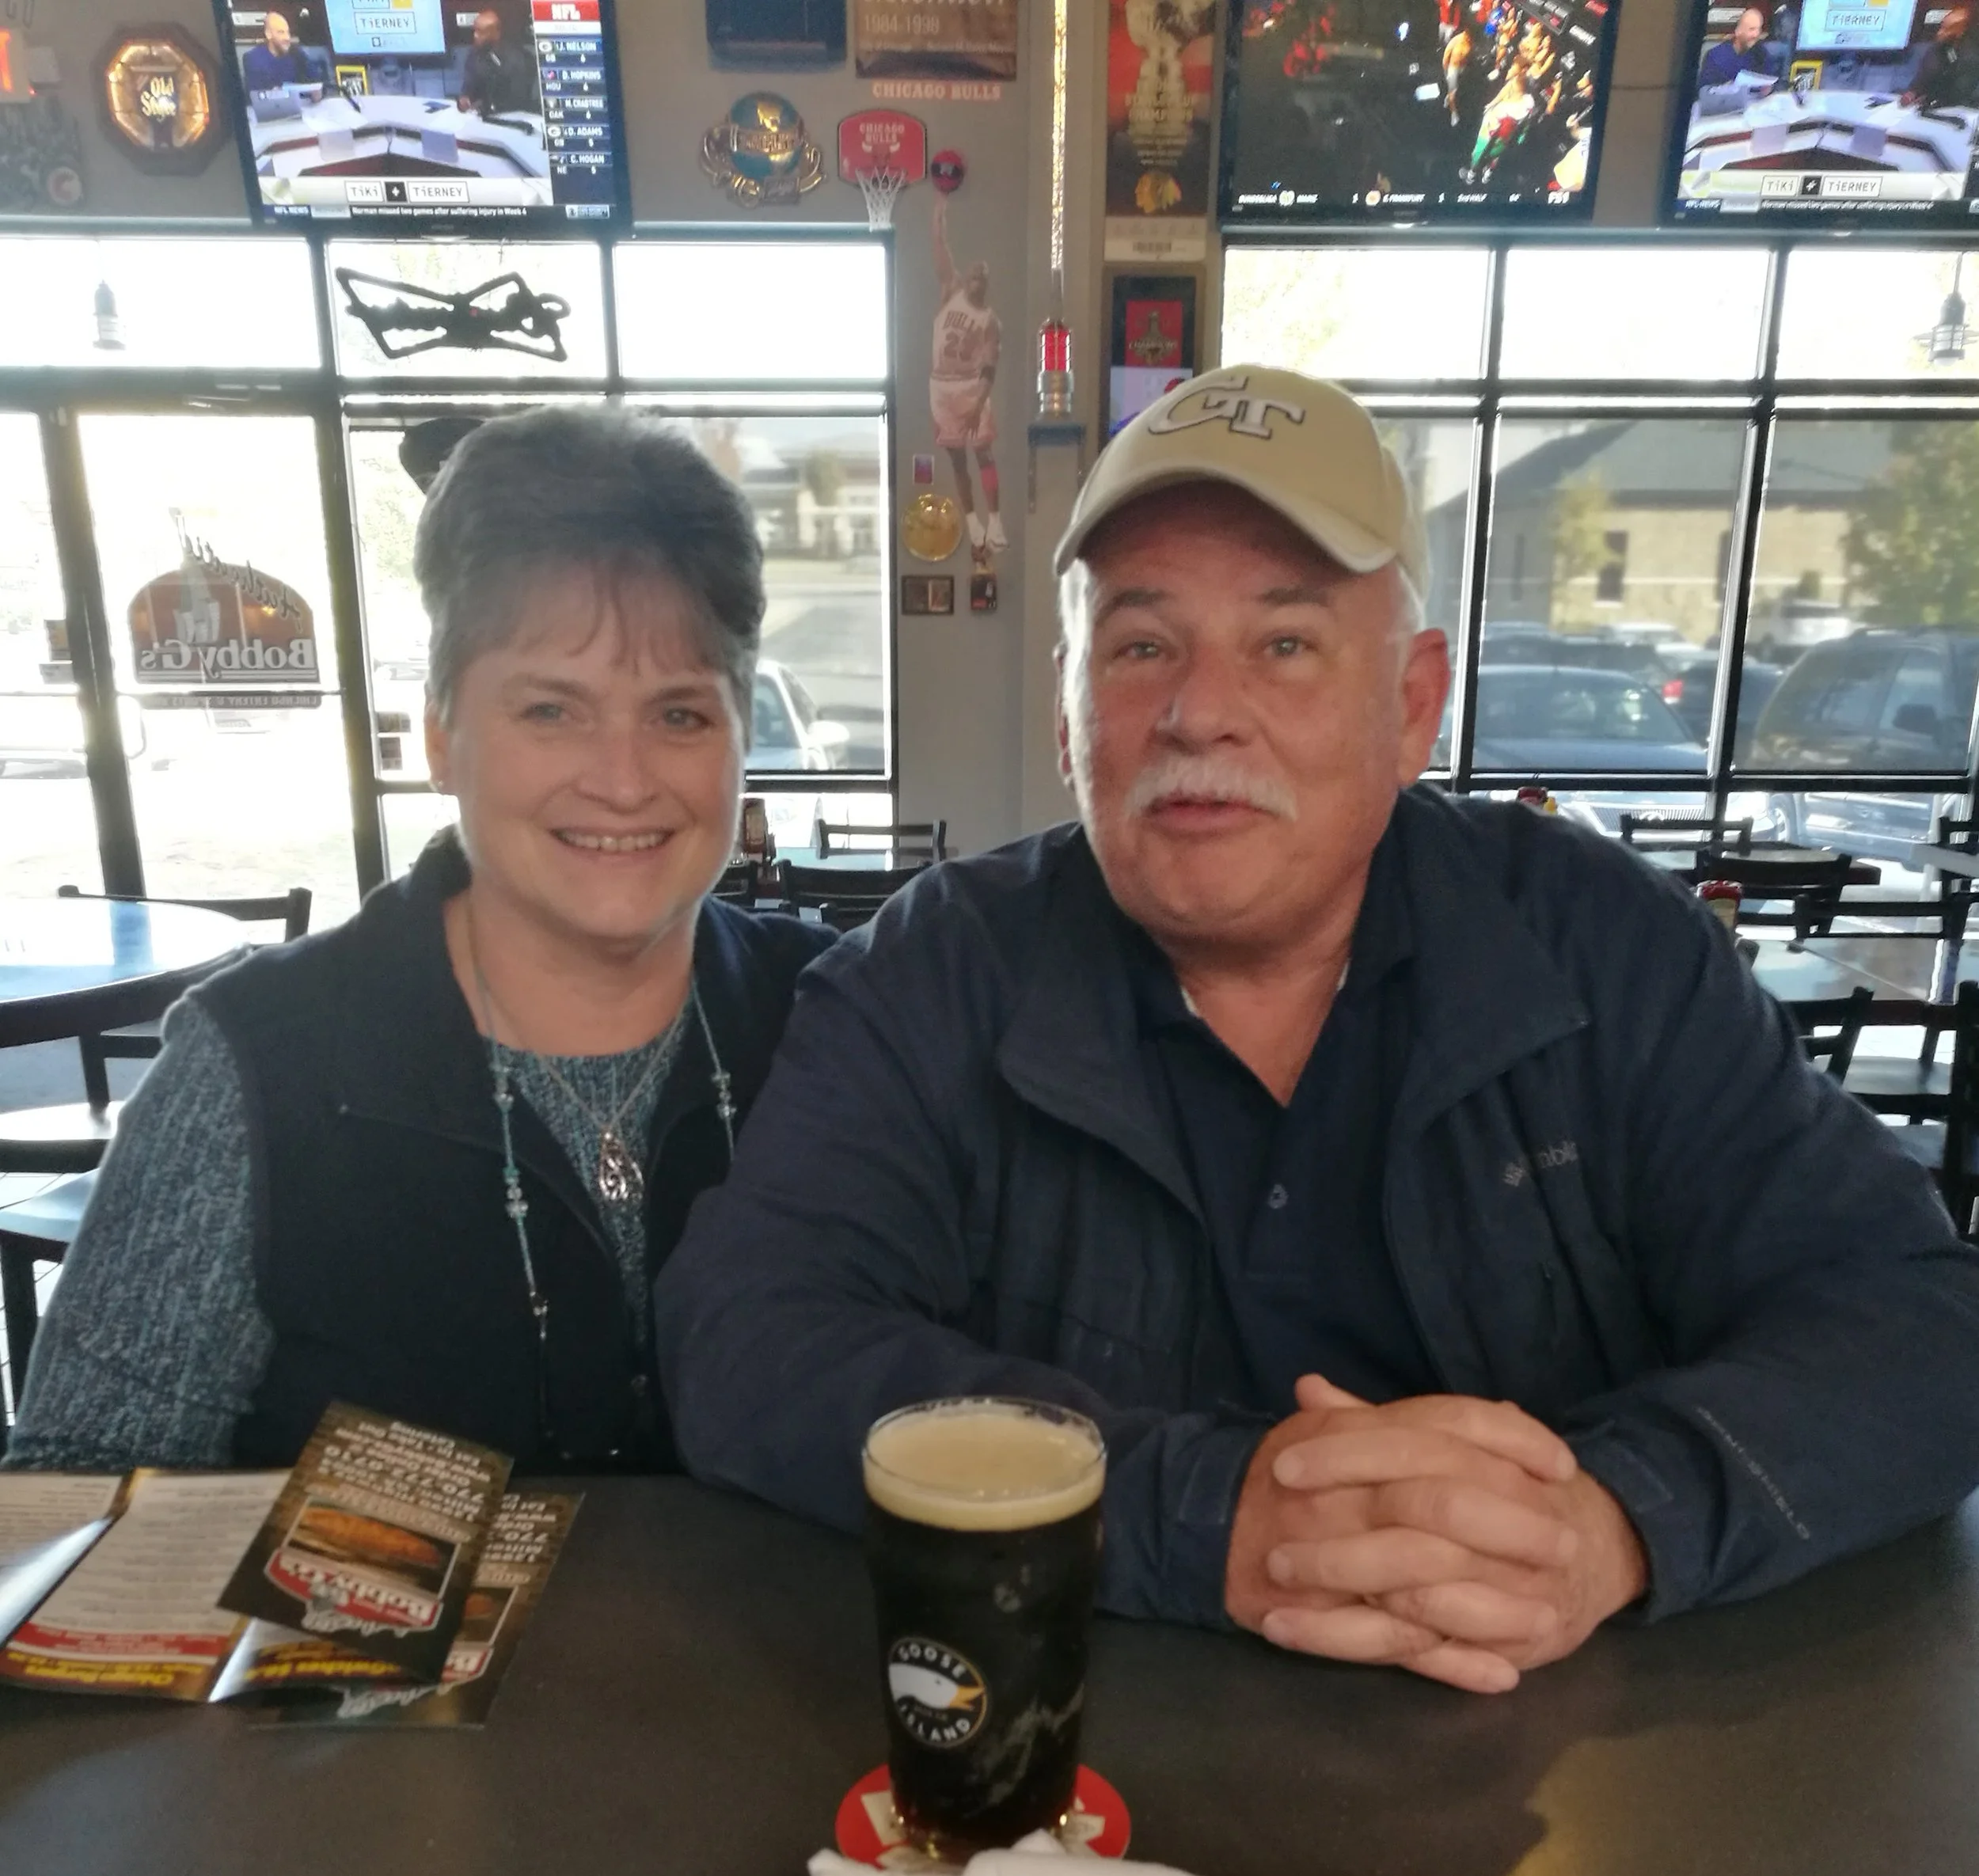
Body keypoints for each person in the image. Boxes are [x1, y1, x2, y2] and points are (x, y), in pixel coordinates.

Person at [655, 363, 1979, 1696]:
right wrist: (1206, 1514)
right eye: (1140, 645)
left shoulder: (1603, 949)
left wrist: (1616, 1516)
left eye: (1284, 643)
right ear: (1070, 715)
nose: (1199, 709)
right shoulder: (936, 972)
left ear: (1412, 706)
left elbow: (1916, 1322)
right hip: (1076, 1754)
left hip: (1561, 1762)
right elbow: (748, 1336)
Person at [7, 407, 819, 1478]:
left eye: (679, 715)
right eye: (549, 710)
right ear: (440, 734)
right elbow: (76, 1497)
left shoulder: (834, 1018)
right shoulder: (261, 1063)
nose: (624, 778)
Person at [929, 196, 1005, 559]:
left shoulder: (990, 321)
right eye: (973, 273)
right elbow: (941, 251)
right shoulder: (950, 292)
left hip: (971, 385)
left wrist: (978, 403)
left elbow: (990, 368)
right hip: (941, 384)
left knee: (984, 452)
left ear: (987, 283)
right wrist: (939, 216)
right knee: (957, 459)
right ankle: (973, 521)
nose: (976, 279)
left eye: (982, 276)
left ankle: (995, 520)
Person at [457, 8, 535, 116]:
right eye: (475, 30)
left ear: (496, 34)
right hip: (480, 118)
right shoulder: (473, 54)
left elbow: (519, 99)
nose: (475, 35)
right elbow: (468, 86)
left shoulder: (517, 58)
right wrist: (464, 98)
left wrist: (488, 105)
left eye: (481, 32)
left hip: (513, 117)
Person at [1699, 4, 1786, 84]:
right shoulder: (1716, 57)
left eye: (1759, 29)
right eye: (1751, 29)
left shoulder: (1761, 53)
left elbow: (1769, 80)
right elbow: (1705, 92)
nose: (1756, 34)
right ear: (1738, 31)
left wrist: (1768, 88)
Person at [241, 9, 312, 97]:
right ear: (268, 34)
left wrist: (318, 93)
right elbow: (255, 96)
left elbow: (316, 83)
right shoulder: (253, 59)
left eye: (288, 33)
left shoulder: (297, 54)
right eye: (281, 32)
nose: (287, 38)